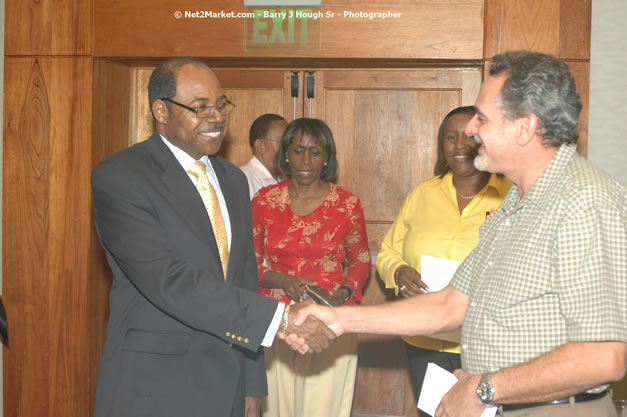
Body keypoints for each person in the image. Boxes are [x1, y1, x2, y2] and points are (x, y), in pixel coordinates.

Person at [291, 51, 627, 417]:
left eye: (482, 118)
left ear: (525, 127)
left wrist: (484, 389)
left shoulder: (585, 201)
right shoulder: (516, 200)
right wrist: (338, 319)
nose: (470, 130)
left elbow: (605, 356)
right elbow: (450, 305)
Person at [91, 58, 334, 417]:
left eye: (221, 105)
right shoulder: (122, 176)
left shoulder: (233, 181)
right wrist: (280, 318)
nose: (217, 117)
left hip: (229, 384)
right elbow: (168, 280)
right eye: (199, 106)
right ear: (161, 110)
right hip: (154, 386)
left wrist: (252, 383)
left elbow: (243, 278)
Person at [376, 105, 511, 414]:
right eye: (451, 137)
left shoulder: (510, 195)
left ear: (485, 140)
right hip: (425, 339)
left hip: (484, 343)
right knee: (435, 413)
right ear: (441, 145)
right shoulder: (421, 194)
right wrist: (398, 272)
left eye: (469, 136)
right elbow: (388, 253)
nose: (460, 145)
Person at [251, 118, 371, 417]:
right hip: (277, 322)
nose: (306, 160)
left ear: (326, 157)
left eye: (315, 152)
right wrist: (282, 280)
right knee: (278, 409)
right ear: (286, 155)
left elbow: (361, 261)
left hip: (328, 321)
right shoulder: (264, 201)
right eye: (298, 150)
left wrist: (343, 293)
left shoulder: (347, 204)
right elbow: (246, 263)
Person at [240, 113, 288, 198]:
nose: (288, 148)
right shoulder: (243, 180)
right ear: (260, 145)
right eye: (282, 142)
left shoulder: (287, 178)